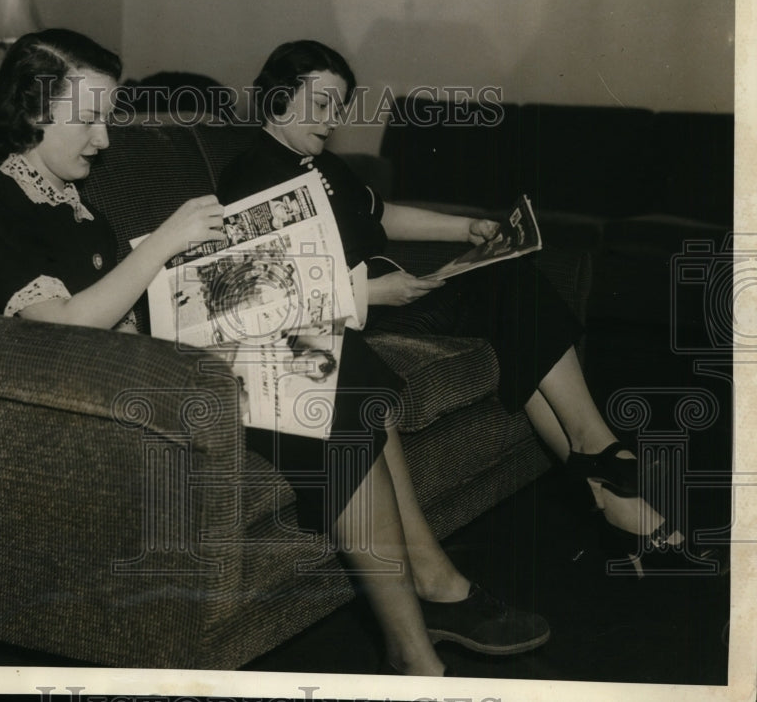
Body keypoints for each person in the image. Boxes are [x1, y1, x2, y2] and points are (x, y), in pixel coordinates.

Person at [0, 29, 550, 677]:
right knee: (328, 389)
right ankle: (415, 648)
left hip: (149, 369)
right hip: (86, 408)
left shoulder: (72, 203)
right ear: (34, 111)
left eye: (108, 117)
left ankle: (413, 636)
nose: (105, 138)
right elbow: (59, 326)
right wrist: (165, 243)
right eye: (88, 118)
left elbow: (127, 305)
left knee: (332, 362)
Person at [218, 39, 692, 577]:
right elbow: (268, 283)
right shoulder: (254, 173)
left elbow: (381, 215)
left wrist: (462, 228)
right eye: (321, 104)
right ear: (279, 96)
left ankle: (597, 462)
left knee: (509, 280)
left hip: (392, 297)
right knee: (509, 303)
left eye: (340, 108)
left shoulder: (321, 163)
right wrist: (374, 293)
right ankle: (601, 468)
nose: (332, 121)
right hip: (349, 320)